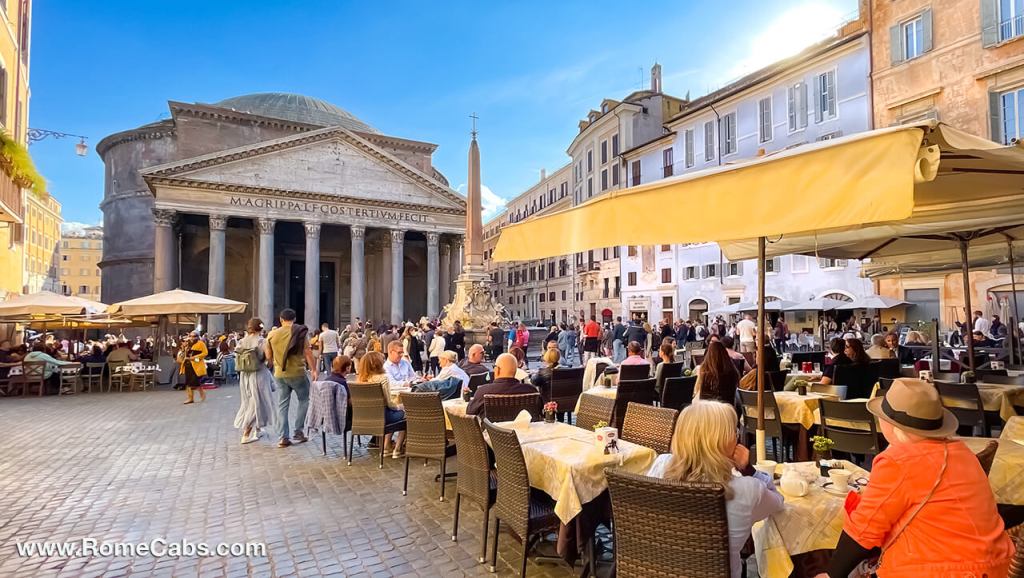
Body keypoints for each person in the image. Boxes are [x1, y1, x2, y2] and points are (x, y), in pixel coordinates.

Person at [819, 379, 1014, 578]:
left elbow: (864, 530)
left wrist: (831, 575)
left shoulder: (898, 461)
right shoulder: (962, 451)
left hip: (944, 570)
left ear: (892, 425)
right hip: (994, 565)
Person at [647, 401, 783, 578]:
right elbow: (778, 502)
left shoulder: (661, 465)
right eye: (735, 432)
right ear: (725, 442)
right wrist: (748, 469)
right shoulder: (747, 489)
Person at [265, 308, 317, 448]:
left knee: (283, 404)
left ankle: (283, 437)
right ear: (294, 319)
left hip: (279, 374)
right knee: (304, 400)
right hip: (297, 372)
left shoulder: (272, 334)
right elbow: (308, 352)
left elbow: (268, 356)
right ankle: (298, 431)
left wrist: (275, 364)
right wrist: (313, 370)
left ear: (281, 320)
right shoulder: (299, 333)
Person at [233, 318, 277, 444]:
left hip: (245, 375)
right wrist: (269, 364)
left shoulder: (241, 341)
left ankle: (257, 430)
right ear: (261, 328)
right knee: (257, 402)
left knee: (251, 400)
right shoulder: (262, 341)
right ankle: (246, 434)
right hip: (259, 374)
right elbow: (269, 358)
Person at [357, 351, 406, 457]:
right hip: (383, 417)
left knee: (394, 413)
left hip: (364, 418)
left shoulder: (360, 380)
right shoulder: (383, 378)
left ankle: (387, 446)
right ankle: (398, 449)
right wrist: (401, 407)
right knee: (407, 414)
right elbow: (390, 404)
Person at [466, 353, 539, 416]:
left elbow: (470, 412)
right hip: (524, 431)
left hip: (491, 431)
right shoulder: (531, 390)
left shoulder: (483, 391)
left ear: (497, 370)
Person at [177, 332, 208, 404]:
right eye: (190, 336)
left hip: (196, 364)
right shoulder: (187, 344)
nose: (192, 338)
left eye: (194, 336)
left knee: (194, 382)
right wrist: (183, 348)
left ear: (197, 337)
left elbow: (205, 353)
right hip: (187, 365)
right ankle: (190, 398)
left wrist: (194, 358)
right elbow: (184, 354)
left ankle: (201, 392)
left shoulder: (201, 344)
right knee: (188, 383)